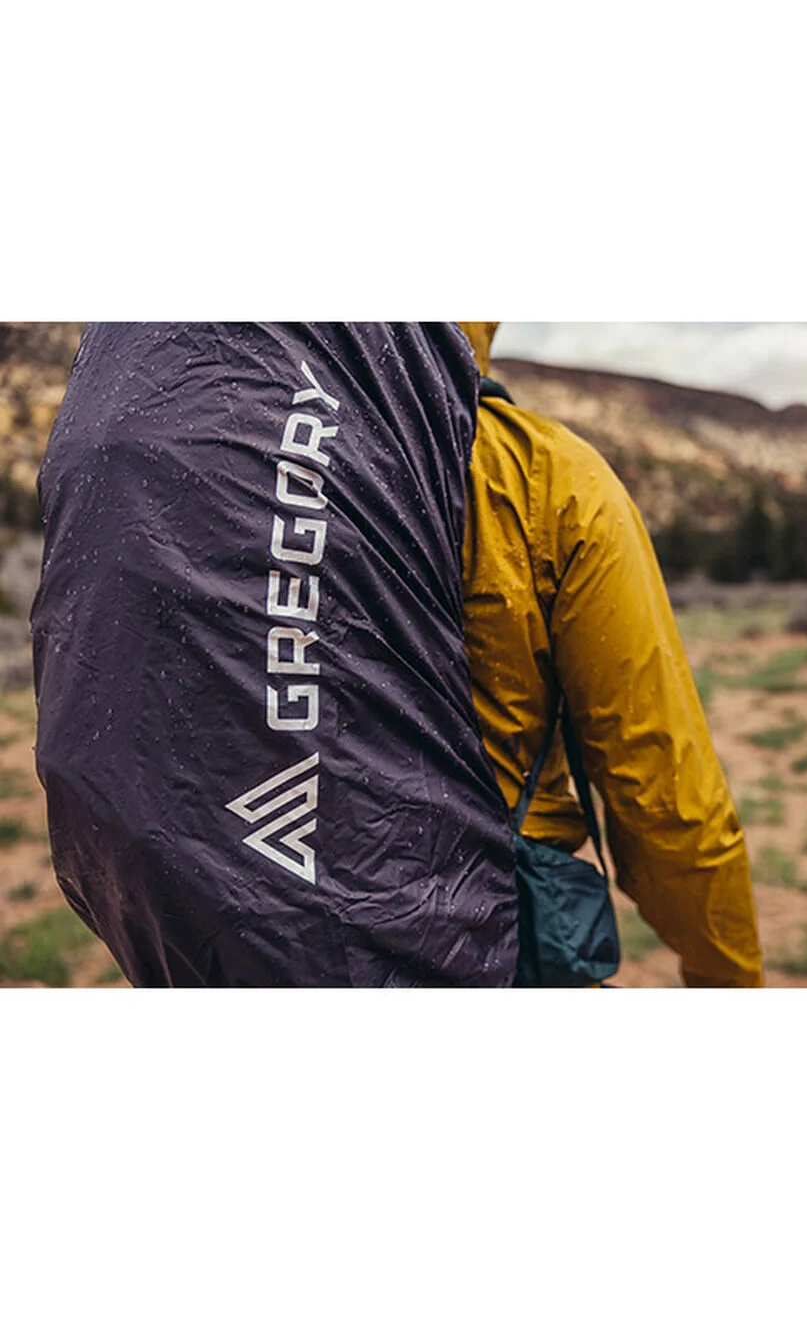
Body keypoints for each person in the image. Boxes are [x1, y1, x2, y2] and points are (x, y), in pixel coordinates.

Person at [32, 323, 519, 987]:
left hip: (162, 905)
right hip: (460, 900)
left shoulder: (143, 404)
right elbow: (647, 762)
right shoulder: (527, 470)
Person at [457, 323, 763, 987]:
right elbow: (667, 800)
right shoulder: (543, 475)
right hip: (487, 935)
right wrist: (730, 983)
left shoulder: (224, 455)